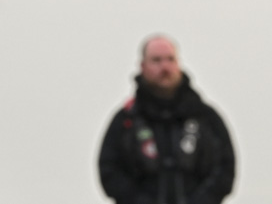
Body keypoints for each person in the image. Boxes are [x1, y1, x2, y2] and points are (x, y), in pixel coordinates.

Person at [98, 35, 235, 204]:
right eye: (156, 60)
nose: (165, 67)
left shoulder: (205, 117)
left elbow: (226, 168)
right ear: (142, 66)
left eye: (170, 59)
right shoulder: (126, 120)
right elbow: (109, 170)